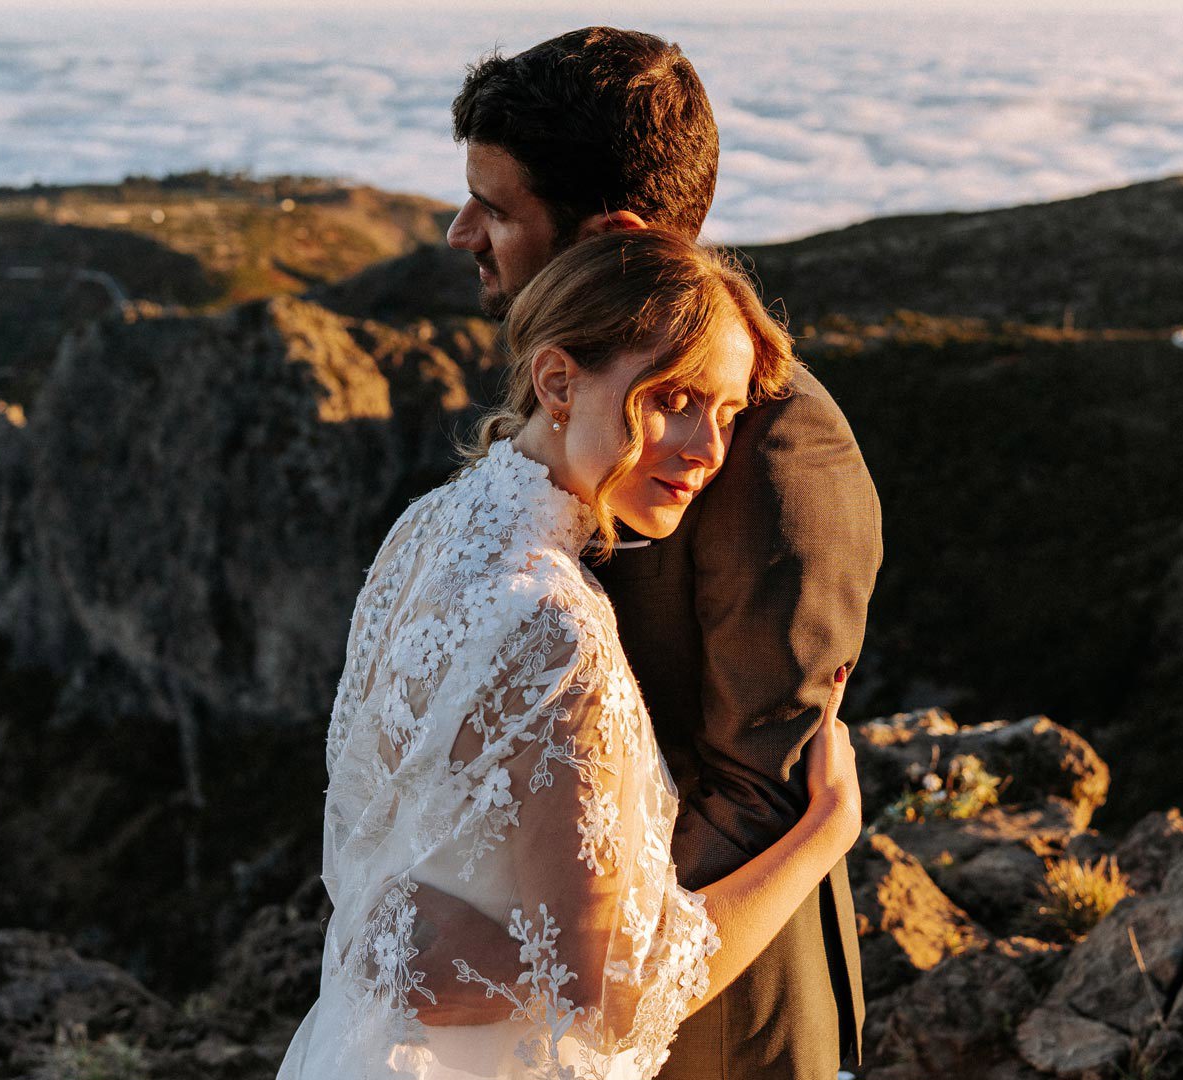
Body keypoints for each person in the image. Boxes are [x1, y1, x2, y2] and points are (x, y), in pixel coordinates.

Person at [275, 230, 862, 1079]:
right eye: (675, 398)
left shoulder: (424, 530)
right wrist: (824, 833)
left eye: (728, 413)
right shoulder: (556, 633)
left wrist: (407, 948)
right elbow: (607, 996)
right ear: (557, 381)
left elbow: (369, 830)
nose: (708, 448)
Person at [446, 27, 881, 1080]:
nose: (461, 233)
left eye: (496, 209)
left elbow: (758, 791)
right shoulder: (561, 401)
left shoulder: (778, 442)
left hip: (712, 1033)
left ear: (613, 234)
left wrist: (551, 957)